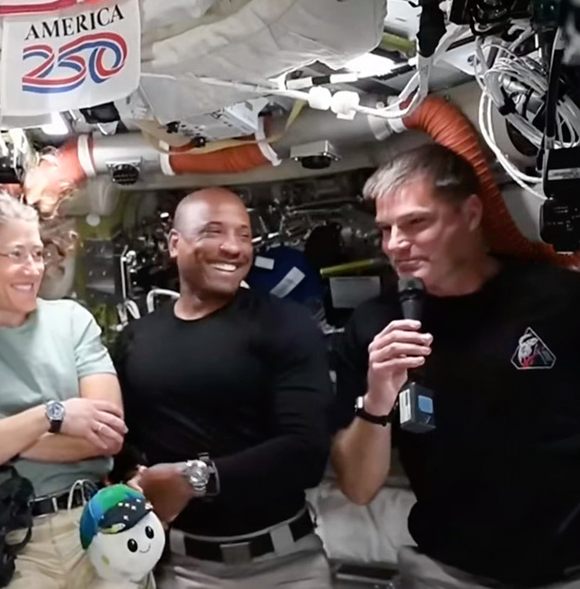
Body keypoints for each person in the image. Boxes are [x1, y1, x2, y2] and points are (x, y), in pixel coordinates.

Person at [330, 143, 580, 588]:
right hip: (444, 570)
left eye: (416, 223)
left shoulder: (557, 300)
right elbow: (357, 487)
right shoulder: (374, 326)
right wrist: (378, 397)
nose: (396, 245)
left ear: (470, 214)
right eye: (386, 230)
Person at [113, 187, 334, 589]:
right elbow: (123, 446)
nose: (233, 247)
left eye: (245, 235)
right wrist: (131, 476)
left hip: (286, 567)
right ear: (175, 244)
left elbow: (307, 452)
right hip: (179, 568)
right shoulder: (136, 340)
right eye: (214, 231)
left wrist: (195, 479)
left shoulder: (288, 325)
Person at [0, 191, 129, 589]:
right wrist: (53, 415)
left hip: (99, 523)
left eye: (37, 253)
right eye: (15, 255)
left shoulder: (71, 321)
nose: (33, 269)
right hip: (16, 540)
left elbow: (107, 435)